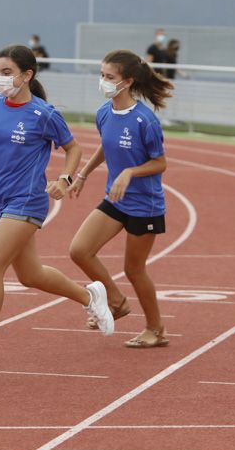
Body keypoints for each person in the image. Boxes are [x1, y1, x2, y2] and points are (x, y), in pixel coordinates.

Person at [0, 44, 113, 373]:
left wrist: (65, 179)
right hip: (0, 198)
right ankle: (90, 297)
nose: (0, 78)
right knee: (30, 275)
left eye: (7, 72)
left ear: (27, 75)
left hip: (28, 200)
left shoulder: (44, 114)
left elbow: (73, 148)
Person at [69, 50, 175, 348]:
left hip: (145, 205)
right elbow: (106, 146)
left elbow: (160, 163)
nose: (103, 81)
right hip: (115, 201)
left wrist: (129, 172)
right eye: (102, 75)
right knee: (80, 250)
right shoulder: (104, 113)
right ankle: (116, 300)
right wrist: (83, 173)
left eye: (109, 77)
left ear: (127, 82)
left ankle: (156, 329)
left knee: (134, 269)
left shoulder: (145, 121)